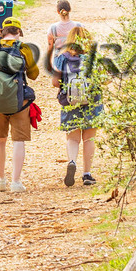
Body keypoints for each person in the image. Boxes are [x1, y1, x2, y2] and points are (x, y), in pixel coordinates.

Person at [0, 18, 40, 192]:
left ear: (2, 31)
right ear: (18, 32)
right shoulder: (24, 48)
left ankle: (0, 179)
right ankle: (16, 182)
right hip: (19, 101)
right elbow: (34, 74)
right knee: (18, 140)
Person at [52, 26, 104, 187]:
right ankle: (87, 174)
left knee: (73, 138)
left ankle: (72, 161)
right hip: (92, 102)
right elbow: (102, 79)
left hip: (70, 102)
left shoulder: (62, 58)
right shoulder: (94, 57)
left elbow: (55, 82)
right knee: (89, 138)